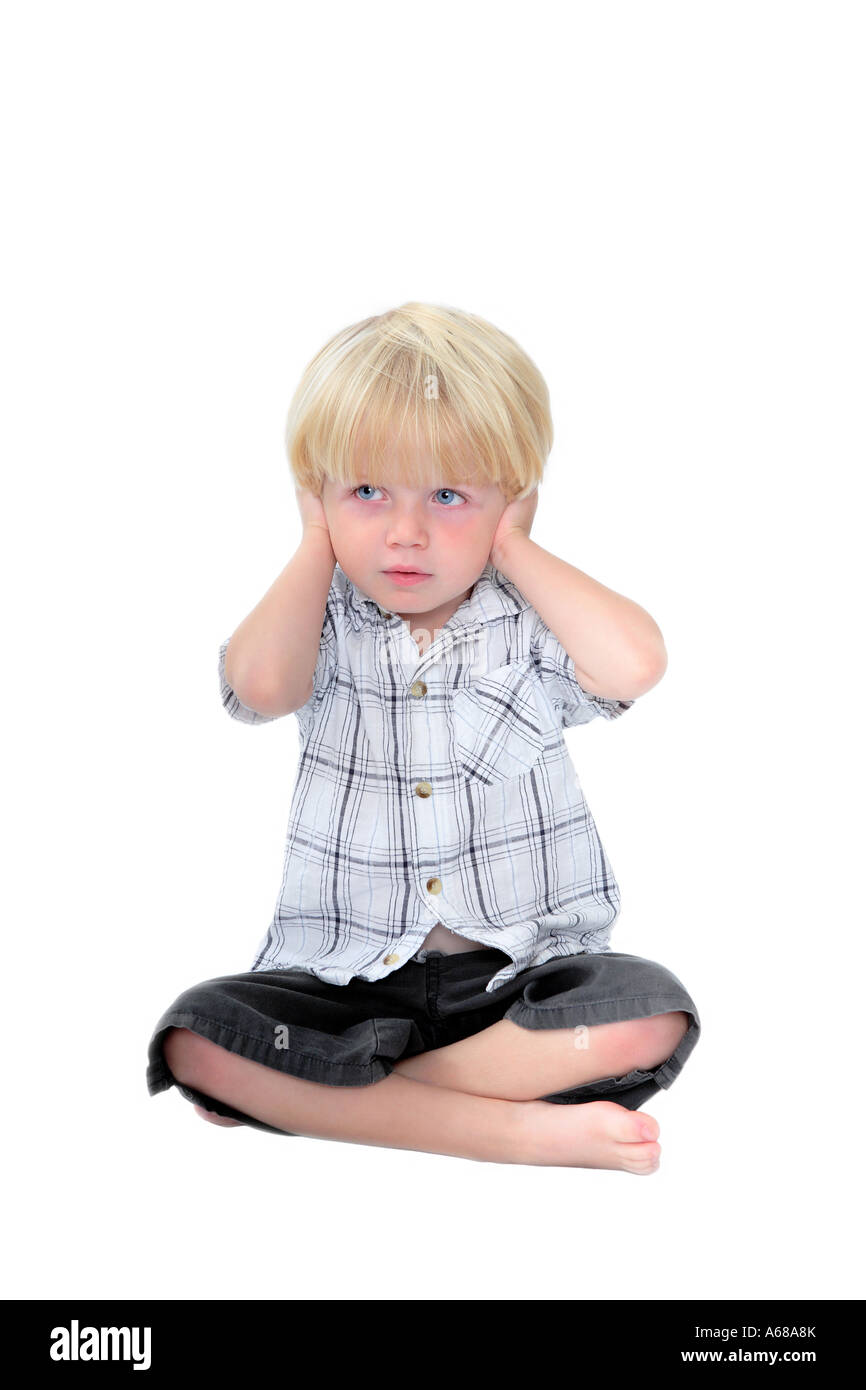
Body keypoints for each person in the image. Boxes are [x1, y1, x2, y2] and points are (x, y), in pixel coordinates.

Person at [146, 301, 700, 1172]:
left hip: (515, 986)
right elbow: (258, 687)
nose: (405, 532)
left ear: (511, 504)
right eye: (366, 491)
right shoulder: (320, 619)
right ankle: (509, 1129)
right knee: (194, 1037)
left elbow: (636, 663)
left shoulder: (529, 623)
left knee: (651, 1008)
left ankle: (337, 1094)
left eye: (449, 497)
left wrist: (513, 550)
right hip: (344, 980)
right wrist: (311, 547)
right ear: (317, 497)